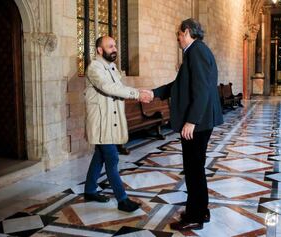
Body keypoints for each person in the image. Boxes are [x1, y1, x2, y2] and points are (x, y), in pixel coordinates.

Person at [147, 18, 224, 230]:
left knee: (193, 169)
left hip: (197, 123)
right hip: (201, 121)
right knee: (196, 168)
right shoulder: (197, 50)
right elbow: (179, 85)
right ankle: (201, 210)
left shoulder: (196, 51)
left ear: (187, 32)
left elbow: (200, 90)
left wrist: (191, 121)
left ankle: (195, 216)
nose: (178, 39)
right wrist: (154, 93)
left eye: (178, 34)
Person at [84, 35, 152, 212]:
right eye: (110, 46)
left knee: (100, 156)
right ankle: (122, 200)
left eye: (115, 46)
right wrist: (136, 94)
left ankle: (90, 190)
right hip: (101, 122)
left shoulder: (112, 67)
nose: (114, 49)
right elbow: (109, 88)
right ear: (100, 50)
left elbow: (119, 89)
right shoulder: (94, 68)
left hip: (111, 120)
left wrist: (136, 91)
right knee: (112, 158)